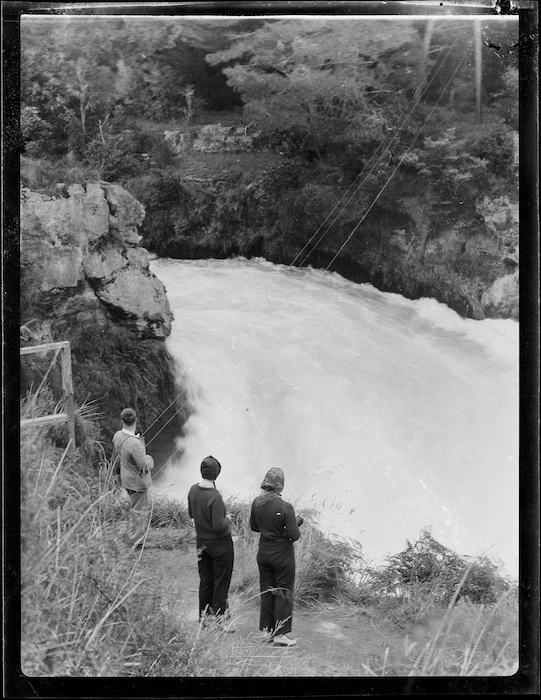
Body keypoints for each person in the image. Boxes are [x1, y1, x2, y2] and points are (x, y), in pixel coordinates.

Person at [250, 467, 303, 647]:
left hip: (263, 553)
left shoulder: (257, 502)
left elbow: (254, 527)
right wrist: (294, 524)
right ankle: (281, 634)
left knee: (267, 591)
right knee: (284, 592)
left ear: (265, 484)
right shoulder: (286, 507)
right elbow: (294, 536)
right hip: (282, 555)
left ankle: (268, 631)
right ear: (280, 487)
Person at [187, 456, 235, 626]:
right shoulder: (215, 496)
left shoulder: (193, 490)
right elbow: (218, 526)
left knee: (205, 581)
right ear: (216, 475)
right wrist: (228, 518)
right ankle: (220, 620)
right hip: (220, 544)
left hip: (202, 543)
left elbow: (191, 514)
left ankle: (204, 618)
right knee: (221, 581)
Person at [112, 407, 154, 547]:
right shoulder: (134, 443)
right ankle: (136, 541)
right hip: (136, 483)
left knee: (136, 508)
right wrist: (149, 458)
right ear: (136, 419)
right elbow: (144, 465)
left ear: (122, 420)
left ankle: (133, 536)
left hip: (126, 479)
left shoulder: (118, 436)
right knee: (139, 510)